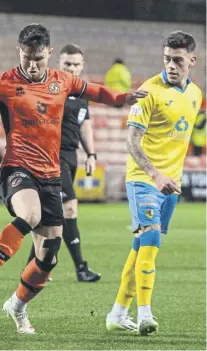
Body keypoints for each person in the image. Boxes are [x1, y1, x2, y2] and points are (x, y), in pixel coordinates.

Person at [0, 24, 147, 334]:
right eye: (26, 57)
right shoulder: (4, 83)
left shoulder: (63, 80)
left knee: (48, 258)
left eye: (38, 59)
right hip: (17, 168)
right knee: (29, 215)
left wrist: (124, 97)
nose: (32, 65)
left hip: (51, 176)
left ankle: (17, 306)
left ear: (48, 53)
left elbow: (97, 91)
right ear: (20, 51)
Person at [105, 31, 202, 335]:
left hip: (169, 185)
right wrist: (155, 174)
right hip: (144, 180)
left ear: (192, 60)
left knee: (139, 248)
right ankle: (145, 314)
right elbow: (132, 143)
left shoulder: (196, 95)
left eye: (178, 60)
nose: (171, 65)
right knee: (150, 239)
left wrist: (169, 176)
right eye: (166, 59)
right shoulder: (148, 91)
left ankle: (118, 313)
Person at [26, 44, 100, 282]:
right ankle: (80, 268)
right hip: (50, 156)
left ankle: (34, 265)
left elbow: (84, 124)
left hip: (70, 156)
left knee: (49, 214)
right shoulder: (47, 88)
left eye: (76, 64)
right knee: (68, 208)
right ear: (59, 63)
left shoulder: (82, 92)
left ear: (82, 65)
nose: (72, 68)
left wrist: (91, 154)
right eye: (67, 64)